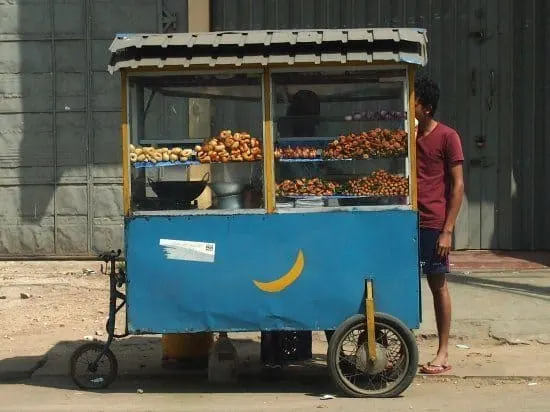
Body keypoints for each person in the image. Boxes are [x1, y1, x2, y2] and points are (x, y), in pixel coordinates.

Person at [414, 77, 465, 375]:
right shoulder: (410, 136)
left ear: (428, 108)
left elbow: (458, 186)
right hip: (408, 220)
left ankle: (443, 353)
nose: (410, 106)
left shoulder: (448, 137)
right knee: (401, 284)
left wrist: (448, 229)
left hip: (434, 223)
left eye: (414, 102)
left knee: (438, 284)